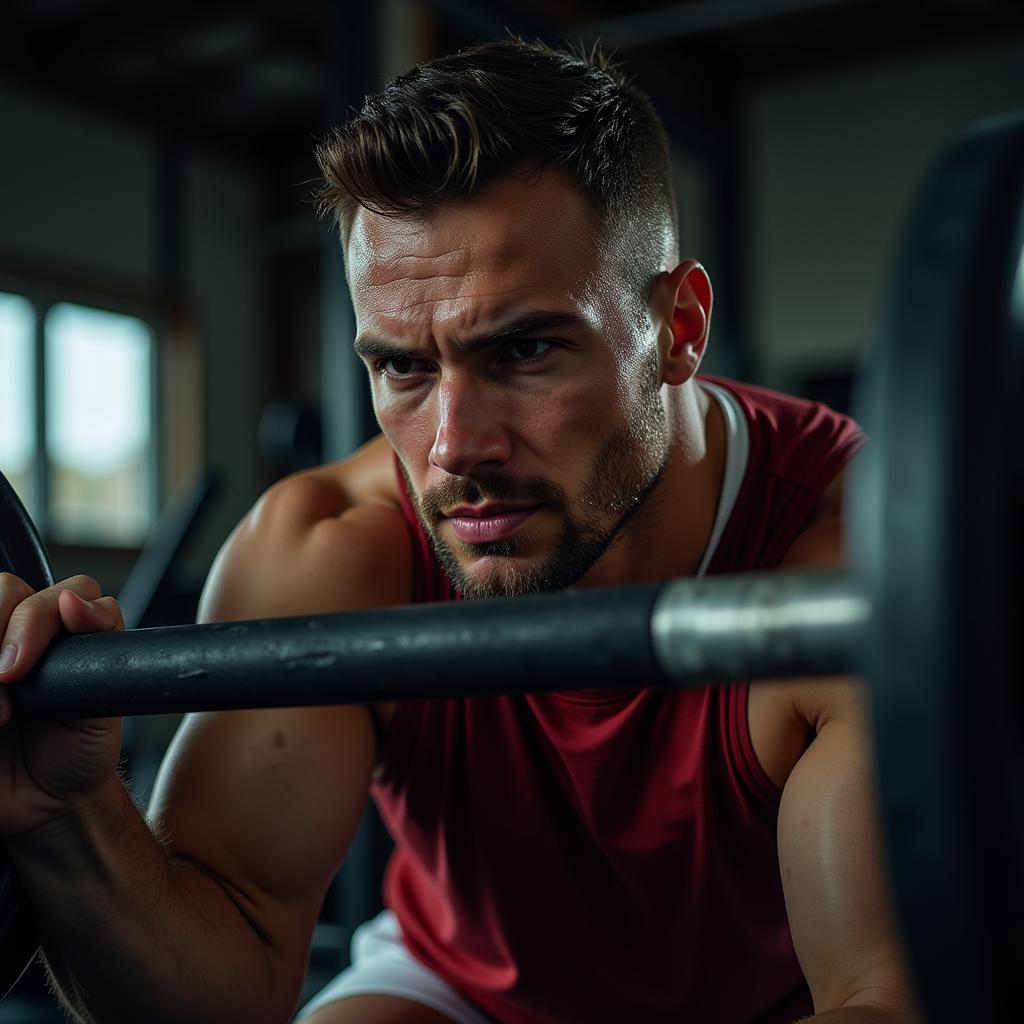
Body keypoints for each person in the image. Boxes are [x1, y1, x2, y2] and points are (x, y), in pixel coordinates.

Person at [0, 38, 920, 1024]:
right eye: (403, 367)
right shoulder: (329, 549)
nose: (452, 449)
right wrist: (67, 814)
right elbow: (227, 981)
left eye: (524, 349)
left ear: (678, 328)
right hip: (458, 981)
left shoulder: (847, 567)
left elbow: (881, 996)